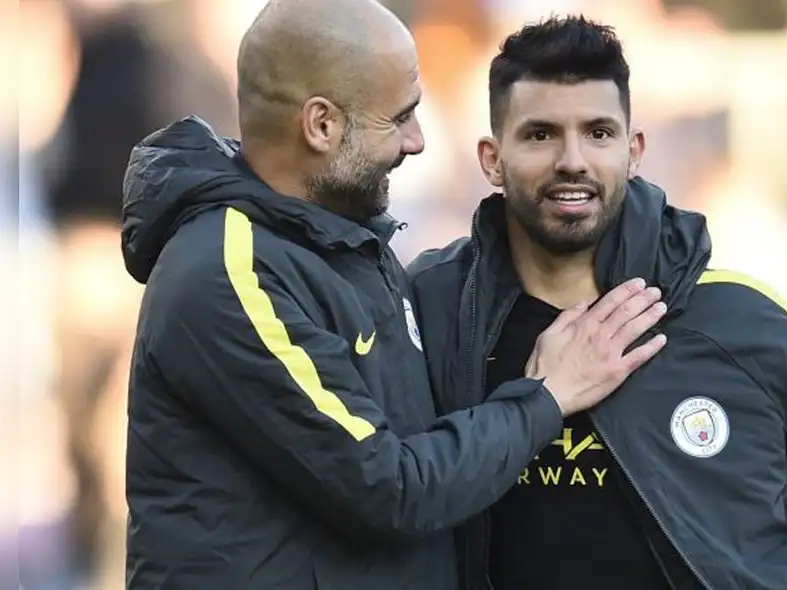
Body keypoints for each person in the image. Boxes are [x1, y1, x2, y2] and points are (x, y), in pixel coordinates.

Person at [407, 15, 787, 590]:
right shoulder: (433, 317)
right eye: (541, 135)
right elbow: (376, 491)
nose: (573, 160)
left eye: (598, 133)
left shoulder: (734, 318)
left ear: (634, 151)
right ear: (490, 159)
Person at [119, 1, 668, 588]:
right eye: (398, 117)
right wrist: (547, 393)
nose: (417, 141)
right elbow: (389, 487)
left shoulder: (337, 236)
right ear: (321, 125)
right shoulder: (231, 274)